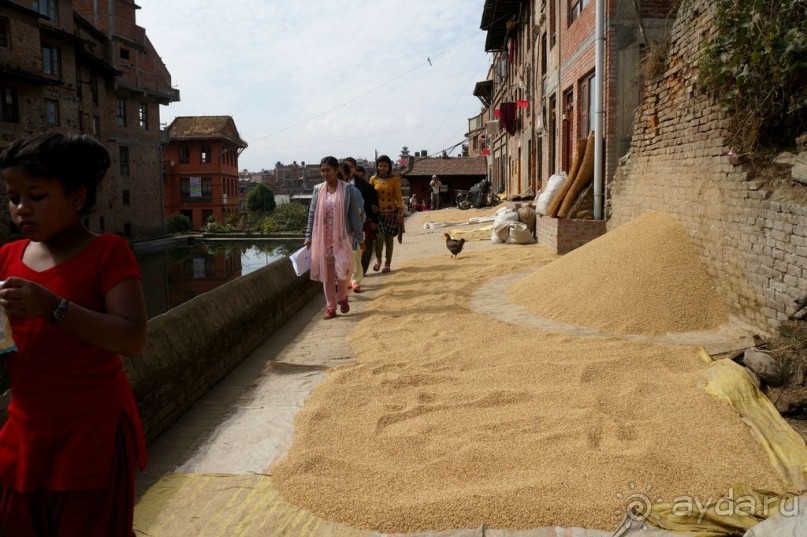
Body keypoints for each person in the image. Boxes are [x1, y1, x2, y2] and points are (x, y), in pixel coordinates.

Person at [0, 133, 148, 535]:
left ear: (77, 197)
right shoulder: (7, 258)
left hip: (88, 433)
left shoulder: (107, 252)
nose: (21, 209)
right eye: (13, 198)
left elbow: (132, 338)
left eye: (36, 196)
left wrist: (53, 307)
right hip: (27, 430)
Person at [305, 156, 364, 319]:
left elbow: (354, 215)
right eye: (322, 171)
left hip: (342, 236)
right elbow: (312, 214)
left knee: (342, 270)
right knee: (327, 272)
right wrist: (308, 236)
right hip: (323, 237)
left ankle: (343, 298)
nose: (325, 174)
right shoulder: (318, 190)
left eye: (328, 170)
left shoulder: (347, 189)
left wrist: (360, 237)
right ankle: (331, 307)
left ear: (336, 170)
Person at [345, 159, 377, 291]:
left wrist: (373, 219)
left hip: (360, 223)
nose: (349, 170)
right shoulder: (334, 187)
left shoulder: (363, 186)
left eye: (351, 167)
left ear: (355, 168)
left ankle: (356, 279)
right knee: (345, 254)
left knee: (357, 252)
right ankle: (348, 279)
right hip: (341, 227)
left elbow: (372, 205)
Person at [369, 155, 403, 273]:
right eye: (380, 166)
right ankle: (378, 260)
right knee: (379, 238)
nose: (382, 168)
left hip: (391, 213)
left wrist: (400, 210)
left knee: (389, 239)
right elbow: (371, 196)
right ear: (377, 167)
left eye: (385, 166)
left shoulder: (394, 179)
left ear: (389, 167)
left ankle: (387, 264)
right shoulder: (373, 179)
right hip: (378, 214)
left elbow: (399, 197)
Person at [339, 160, 365, 293]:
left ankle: (355, 281)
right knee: (342, 260)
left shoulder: (353, 191)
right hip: (337, 233)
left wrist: (358, 233)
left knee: (355, 256)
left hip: (352, 231)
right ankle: (347, 280)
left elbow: (360, 212)